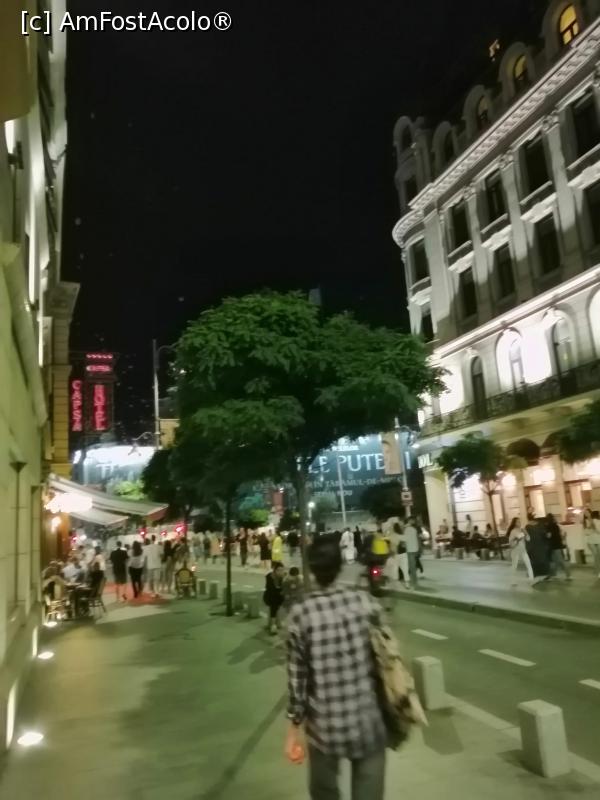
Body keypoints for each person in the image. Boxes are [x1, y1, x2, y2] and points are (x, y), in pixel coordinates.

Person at [285, 534, 387, 800]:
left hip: (325, 728)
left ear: (312, 569)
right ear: (341, 565)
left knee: (324, 792)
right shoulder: (364, 602)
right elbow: (385, 659)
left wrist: (293, 730)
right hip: (367, 721)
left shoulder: (301, 614)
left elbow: (298, 681)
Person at [507, 517, 534, 585]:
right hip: (515, 551)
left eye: (520, 521)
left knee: (529, 564)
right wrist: (517, 540)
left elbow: (528, 539)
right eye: (518, 522)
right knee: (514, 566)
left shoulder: (522, 530)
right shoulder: (513, 531)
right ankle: (513, 581)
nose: (519, 523)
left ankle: (531, 579)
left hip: (523, 550)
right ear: (515, 523)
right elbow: (510, 543)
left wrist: (526, 533)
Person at [546, 513, 571, 580]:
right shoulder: (556, 525)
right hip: (558, 544)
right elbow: (560, 534)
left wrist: (545, 536)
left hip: (553, 545)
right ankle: (553, 575)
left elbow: (549, 536)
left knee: (559, 560)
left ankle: (568, 575)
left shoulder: (548, 526)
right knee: (555, 560)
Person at [263, 562, 285, 634]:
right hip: (269, 596)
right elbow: (270, 589)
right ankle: (273, 624)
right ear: (275, 570)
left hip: (278, 596)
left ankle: (275, 623)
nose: (280, 572)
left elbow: (283, 588)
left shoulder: (282, 577)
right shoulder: (269, 576)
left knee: (278, 601)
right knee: (274, 604)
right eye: (278, 570)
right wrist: (279, 589)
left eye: (281, 570)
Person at [401, 517, 420, 588]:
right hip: (414, 549)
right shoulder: (413, 529)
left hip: (410, 550)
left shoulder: (406, 529)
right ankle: (414, 582)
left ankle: (414, 582)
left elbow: (404, 540)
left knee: (411, 567)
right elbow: (416, 539)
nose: (413, 521)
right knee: (413, 567)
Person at [587, 510, 600, 577]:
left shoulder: (591, 522)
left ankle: (596, 571)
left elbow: (587, 530)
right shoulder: (597, 521)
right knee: (598, 557)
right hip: (598, 541)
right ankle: (597, 571)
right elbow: (598, 531)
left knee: (596, 557)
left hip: (591, 541)